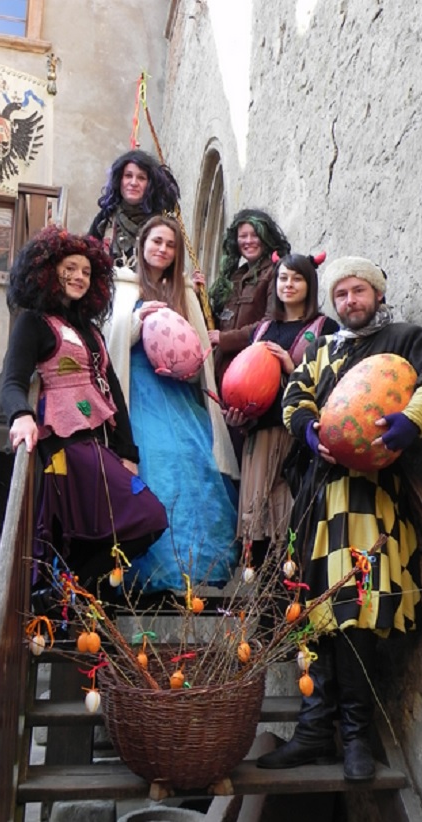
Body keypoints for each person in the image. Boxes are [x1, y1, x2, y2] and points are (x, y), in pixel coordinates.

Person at [256, 256, 422, 781]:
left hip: (369, 498)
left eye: (358, 291)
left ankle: (355, 737)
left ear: (377, 294)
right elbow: (294, 397)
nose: (350, 300)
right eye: (341, 293)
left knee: (356, 609)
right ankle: (313, 731)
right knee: (313, 609)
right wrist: (308, 431)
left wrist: (410, 422)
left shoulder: (404, 339)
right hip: (318, 497)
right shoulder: (321, 349)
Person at [0, 226, 168, 593]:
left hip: (101, 444)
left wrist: (128, 452)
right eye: (70, 269)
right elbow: (11, 380)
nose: (80, 277)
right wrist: (20, 415)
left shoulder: (91, 331)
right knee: (149, 516)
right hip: (67, 446)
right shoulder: (33, 322)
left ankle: (66, 590)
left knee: (130, 525)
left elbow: (114, 393)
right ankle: (66, 589)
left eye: (87, 272)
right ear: (48, 271)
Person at [107, 215, 240, 594]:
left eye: (170, 245)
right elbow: (112, 338)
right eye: (157, 242)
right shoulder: (123, 286)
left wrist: (189, 364)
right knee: (153, 465)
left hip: (179, 392)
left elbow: (199, 348)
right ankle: (151, 567)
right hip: (139, 389)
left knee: (193, 461)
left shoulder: (186, 292)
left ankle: (197, 564)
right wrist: (138, 321)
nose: (162, 250)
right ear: (142, 244)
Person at [225, 253, 338, 564]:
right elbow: (246, 378)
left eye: (297, 278)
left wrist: (292, 367)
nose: (288, 284)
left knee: (289, 523)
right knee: (258, 525)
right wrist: (237, 416)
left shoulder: (326, 327)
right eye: (283, 278)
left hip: (297, 440)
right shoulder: (261, 330)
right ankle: (261, 589)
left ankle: (288, 591)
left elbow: (331, 383)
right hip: (260, 437)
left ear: (310, 284)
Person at [207, 208, 291, 393]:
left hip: (253, 376)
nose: (248, 241)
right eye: (243, 236)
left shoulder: (276, 273)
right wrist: (198, 296)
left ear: (266, 237)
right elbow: (216, 324)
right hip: (223, 375)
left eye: (255, 235)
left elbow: (270, 324)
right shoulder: (234, 277)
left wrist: (224, 339)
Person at [88, 149, 180, 270]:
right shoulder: (105, 219)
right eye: (128, 176)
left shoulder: (164, 224)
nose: (133, 183)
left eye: (141, 178)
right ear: (119, 180)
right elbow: (87, 260)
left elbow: (174, 270)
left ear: (150, 184)